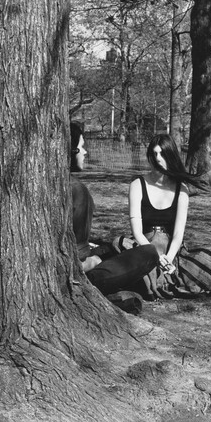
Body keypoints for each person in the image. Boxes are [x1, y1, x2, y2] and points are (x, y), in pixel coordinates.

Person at [114, 134, 211, 299]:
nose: (157, 159)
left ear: (170, 157)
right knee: (119, 245)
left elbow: (178, 234)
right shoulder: (137, 185)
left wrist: (168, 259)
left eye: (162, 154)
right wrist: (155, 255)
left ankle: (162, 276)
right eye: (154, 154)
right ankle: (152, 279)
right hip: (144, 245)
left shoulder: (181, 189)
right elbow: (137, 232)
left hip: (171, 250)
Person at [69, 123, 159, 309]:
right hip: (74, 274)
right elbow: (78, 257)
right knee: (148, 253)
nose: (85, 152)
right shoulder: (77, 191)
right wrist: (95, 260)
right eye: (82, 146)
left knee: (112, 247)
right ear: (71, 149)